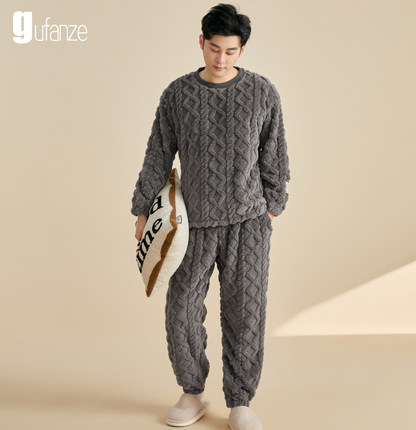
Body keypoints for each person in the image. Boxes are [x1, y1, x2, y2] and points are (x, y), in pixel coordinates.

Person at [131, 3, 290, 429]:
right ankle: (192, 391)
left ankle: (240, 402)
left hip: (248, 223)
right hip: (192, 225)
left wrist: (273, 203)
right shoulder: (177, 95)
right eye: (214, 48)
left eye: (230, 51)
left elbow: (274, 152)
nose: (221, 59)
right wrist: (143, 209)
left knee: (246, 313)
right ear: (201, 42)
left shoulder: (262, 92)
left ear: (242, 50)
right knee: (180, 311)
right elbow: (158, 154)